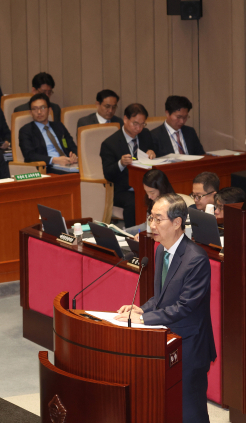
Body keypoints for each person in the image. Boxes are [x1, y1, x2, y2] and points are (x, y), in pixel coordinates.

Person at [115, 194, 216, 423]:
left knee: (191, 412)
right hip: (167, 341)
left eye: (158, 219)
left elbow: (184, 307)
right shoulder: (161, 250)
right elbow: (160, 298)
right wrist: (141, 309)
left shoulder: (196, 260)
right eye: (151, 218)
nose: (152, 225)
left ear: (177, 222)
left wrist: (144, 319)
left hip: (190, 345)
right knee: (166, 407)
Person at [100, 103, 156, 228]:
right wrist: (120, 164)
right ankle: (133, 235)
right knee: (135, 202)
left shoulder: (145, 135)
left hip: (145, 185)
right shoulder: (110, 143)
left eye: (142, 124)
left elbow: (154, 152)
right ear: (125, 119)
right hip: (122, 189)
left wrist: (152, 152)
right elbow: (108, 173)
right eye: (135, 123)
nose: (139, 128)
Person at [18, 93, 77, 174]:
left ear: (49, 110)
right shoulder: (26, 131)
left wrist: (74, 156)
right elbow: (29, 155)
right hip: (48, 168)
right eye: (35, 109)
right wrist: (54, 160)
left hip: (69, 164)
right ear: (30, 113)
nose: (39, 112)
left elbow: (73, 147)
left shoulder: (59, 126)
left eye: (42, 108)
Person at [128, 169, 175, 237]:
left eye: (152, 192)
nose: (149, 196)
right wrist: (124, 231)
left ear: (162, 189)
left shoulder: (171, 205)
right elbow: (146, 225)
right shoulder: (153, 200)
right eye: (146, 192)